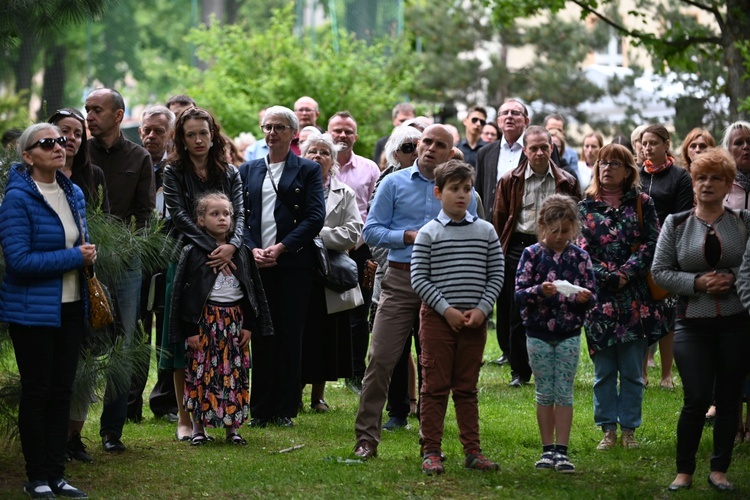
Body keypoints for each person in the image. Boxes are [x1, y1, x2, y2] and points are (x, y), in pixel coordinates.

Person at [353, 124, 477, 460]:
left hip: (443, 285)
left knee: (434, 367)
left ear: (450, 152)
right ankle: (366, 439)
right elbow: (371, 231)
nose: (430, 148)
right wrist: (409, 236)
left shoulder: (465, 191)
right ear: (418, 144)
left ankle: (430, 444)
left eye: (440, 144)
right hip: (400, 280)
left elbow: (473, 236)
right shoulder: (392, 182)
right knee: (380, 359)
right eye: (426, 141)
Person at [0, 123, 96, 499]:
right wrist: (74, 257)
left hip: (71, 307)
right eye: (47, 143)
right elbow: (19, 261)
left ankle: (57, 475)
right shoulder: (18, 199)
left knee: (62, 392)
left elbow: (79, 244)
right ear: (28, 156)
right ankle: (36, 476)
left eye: (61, 140)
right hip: (33, 312)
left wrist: (87, 257)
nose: (59, 145)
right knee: (38, 392)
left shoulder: (73, 192)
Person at [654, 147, 750, 492]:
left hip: (737, 323)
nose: (706, 184)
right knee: (696, 398)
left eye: (715, 178)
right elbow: (660, 272)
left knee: (728, 398)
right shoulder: (676, 223)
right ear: (693, 183)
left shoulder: (744, 221)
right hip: (691, 323)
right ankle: (684, 471)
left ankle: (720, 470)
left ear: (728, 185)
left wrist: (731, 276)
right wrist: (696, 283)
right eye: (700, 178)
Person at [410, 160, 504, 475]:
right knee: (434, 387)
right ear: (438, 193)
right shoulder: (428, 233)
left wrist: (482, 308)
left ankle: (473, 451)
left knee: (466, 388)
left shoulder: (486, 231)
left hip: (473, 322)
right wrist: (445, 310)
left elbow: (496, 275)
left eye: (467, 189)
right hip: (438, 321)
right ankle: (431, 451)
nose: (461, 195)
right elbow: (419, 279)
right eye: (454, 189)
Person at [162, 106, 245, 441]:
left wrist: (233, 247)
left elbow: (241, 216)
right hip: (187, 259)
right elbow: (179, 216)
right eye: (191, 134)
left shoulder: (230, 172)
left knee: (225, 343)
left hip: (228, 257)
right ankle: (185, 418)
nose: (198, 140)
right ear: (182, 138)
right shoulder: (172, 171)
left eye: (203, 133)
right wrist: (213, 248)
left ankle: (227, 414)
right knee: (187, 340)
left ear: (214, 135)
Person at [578, 143, 668, 450]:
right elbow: (581, 250)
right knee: (604, 371)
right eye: (603, 163)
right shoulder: (586, 206)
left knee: (631, 369)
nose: (607, 168)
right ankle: (608, 431)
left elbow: (653, 242)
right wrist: (606, 275)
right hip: (599, 300)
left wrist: (626, 272)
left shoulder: (643, 202)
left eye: (615, 163)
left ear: (628, 170)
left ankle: (629, 430)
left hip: (635, 298)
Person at [240, 105, 325, 428]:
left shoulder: (307, 170)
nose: (272, 133)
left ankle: (286, 408)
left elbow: (315, 216)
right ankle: (260, 409)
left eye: (279, 127)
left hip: (293, 265)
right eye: (267, 127)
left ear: (293, 133)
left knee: (290, 334)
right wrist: (253, 248)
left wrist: (282, 247)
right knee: (262, 335)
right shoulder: (247, 170)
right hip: (257, 264)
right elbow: (240, 218)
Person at [169, 192, 272, 446]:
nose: (222, 218)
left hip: (234, 322)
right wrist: (190, 329)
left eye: (226, 214)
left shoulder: (242, 252)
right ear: (201, 220)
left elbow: (252, 292)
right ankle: (198, 428)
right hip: (205, 323)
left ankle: (232, 428)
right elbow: (183, 295)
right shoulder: (192, 252)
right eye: (215, 214)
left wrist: (248, 325)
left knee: (233, 375)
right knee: (201, 374)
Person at [86, 88, 155, 453]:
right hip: (84, 261)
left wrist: (127, 250)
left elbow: (146, 214)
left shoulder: (139, 156)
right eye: (87, 110)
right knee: (81, 341)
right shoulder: (78, 155)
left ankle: (112, 431)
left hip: (126, 263)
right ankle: (69, 429)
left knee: (122, 343)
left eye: (97, 110)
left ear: (118, 115)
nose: (90, 116)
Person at [493, 126, 580, 388]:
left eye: (544, 147)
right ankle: (520, 370)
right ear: (525, 150)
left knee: (557, 304)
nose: (539, 152)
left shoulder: (567, 180)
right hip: (520, 247)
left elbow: (576, 219)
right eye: (534, 148)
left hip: (556, 248)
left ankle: (555, 364)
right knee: (517, 310)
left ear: (552, 148)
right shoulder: (510, 180)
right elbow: (499, 218)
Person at [514, 194, 597, 473]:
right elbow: (519, 294)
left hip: (569, 334)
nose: (561, 236)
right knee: (544, 392)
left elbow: (592, 294)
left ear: (574, 227)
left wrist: (584, 297)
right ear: (542, 227)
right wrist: (540, 290)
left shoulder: (580, 257)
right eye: (554, 231)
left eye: (566, 231)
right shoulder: (532, 255)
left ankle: (562, 451)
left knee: (564, 392)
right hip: (537, 333)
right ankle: (546, 449)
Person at [47, 107, 109, 464]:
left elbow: (106, 224)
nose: (69, 139)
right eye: (62, 131)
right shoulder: (29, 180)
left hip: (86, 279)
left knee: (83, 359)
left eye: (76, 133)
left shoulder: (91, 175)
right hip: (47, 286)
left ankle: (73, 435)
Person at [300, 132, 363, 412]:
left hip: (330, 274)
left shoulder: (344, 193)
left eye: (324, 152)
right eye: (312, 151)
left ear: (333, 161)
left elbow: (353, 234)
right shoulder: (293, 188)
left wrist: (315, 233)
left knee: (326, 334)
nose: (318, 156)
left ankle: (318, 396)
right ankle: (294, 389)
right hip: (299, 269)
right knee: (300, 331)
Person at [367, 124, 423, 428]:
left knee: (428, 348)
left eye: (418, 145)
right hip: (394, 276)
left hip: (432, 279)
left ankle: (428, 412)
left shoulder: (443, 181)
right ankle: (397, 411)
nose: (414, 152)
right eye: (407, 147)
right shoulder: (387, 181)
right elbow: (374, 233)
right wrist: (390, 264)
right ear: (394, 153)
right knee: (392, 351)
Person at [327, 111, 380, 398]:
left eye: (348, 131)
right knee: (325, 313)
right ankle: (323, 372)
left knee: (358, 316)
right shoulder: (318, 164)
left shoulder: (370, 169)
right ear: (328, 132)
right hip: (325, 249)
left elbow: (375, 211)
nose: (343, 136)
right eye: (338, 130)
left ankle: (355, 373)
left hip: (360, 251)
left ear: (356, 136)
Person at [639, 124, 694, 390]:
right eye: (643, 143)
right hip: (638, 252)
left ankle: (666, 374)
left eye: (652, 143)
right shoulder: (636, 175)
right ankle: (642, 372)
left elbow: (682, 217)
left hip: (668, 251)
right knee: (642, 313)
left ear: (666, 144)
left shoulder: (680, 177)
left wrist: (666, 250)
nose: (647, 148)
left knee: (667, 313)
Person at [135, 105, 178, 423]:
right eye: (147, 130)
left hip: (169, 257)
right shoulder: (132, 163)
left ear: (170, 135)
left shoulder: (177, 170)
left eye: (159, 131)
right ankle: (128, 403)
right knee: (135, 330)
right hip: (135, 258)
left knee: (167, 329)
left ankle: (164, 402)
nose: (151, 136)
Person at [48, 108, 109, 211]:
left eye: (78, 134)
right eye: (65, 131)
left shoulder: (94, 174)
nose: (71, 137)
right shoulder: (37, 171)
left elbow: (104, 218)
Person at [721, 121, 750, 209]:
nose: (746, 146)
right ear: (728, 150)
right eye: (738, 143)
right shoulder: (719, 184)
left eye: (749, 142)